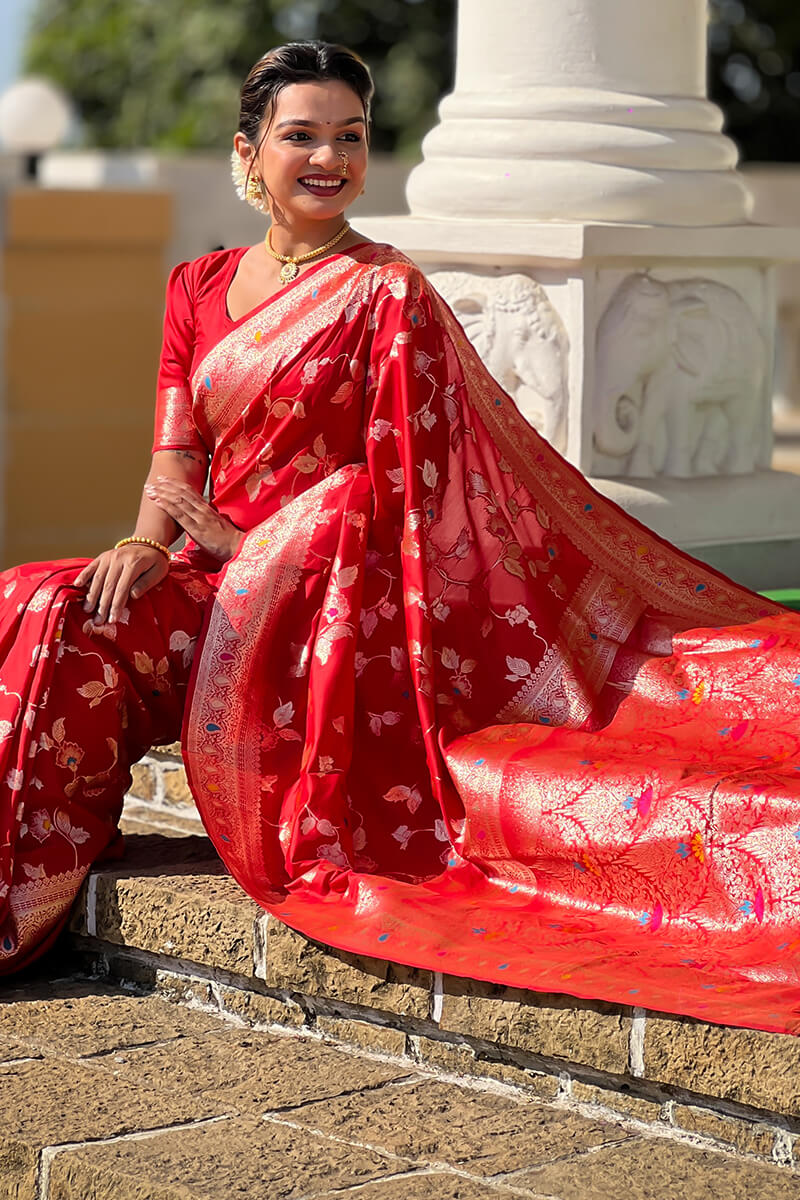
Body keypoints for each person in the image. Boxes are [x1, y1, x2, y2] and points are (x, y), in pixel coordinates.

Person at [2, 41, 799, 1036]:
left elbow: (407, 501)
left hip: (312, 613)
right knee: (37, 593)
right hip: (207, 583)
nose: (328, 156)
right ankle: (36, 871)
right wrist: (146, 541)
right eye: (301, 135)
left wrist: (254, 540)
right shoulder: (196, 287)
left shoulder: (387, 295)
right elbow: (177, 450)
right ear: (249, 151)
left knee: (59, 610)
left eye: (350, 137)